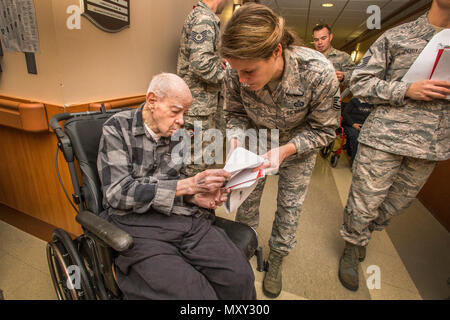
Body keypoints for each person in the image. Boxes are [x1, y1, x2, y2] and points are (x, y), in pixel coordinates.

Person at [97, 73, 256, 300]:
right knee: (195, 295)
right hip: (137, 225)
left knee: (240, 277)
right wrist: (188, 185)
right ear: (152, 101)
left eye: (184, 113)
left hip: (181, 218)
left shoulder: (178, 133)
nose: (182, 120)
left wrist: (195, 196)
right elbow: (118, 192)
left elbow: (176, 180)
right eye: (176, 111)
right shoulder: (117, 129)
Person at [219, 3, 341, 298]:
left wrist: (286, 150)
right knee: (244, 200)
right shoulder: (236, 73)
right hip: (256, 141)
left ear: (275, 51)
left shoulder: (317, 72)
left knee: (289, 206)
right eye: (238, 72)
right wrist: (235, 141)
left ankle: (277, 258)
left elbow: (325, 130)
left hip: (299, 145)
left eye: (249, 71)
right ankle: (245, 248)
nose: (243, 80)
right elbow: (235, 113)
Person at [338, 0, 450, 292]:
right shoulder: (398, 36)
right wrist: (405, 89)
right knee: (365, 200)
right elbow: (359, 81)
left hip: (431, 145)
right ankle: (352, 245)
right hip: (385, 138)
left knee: (394, 206)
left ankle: (365, 233)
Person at [177, 0, 230, 176]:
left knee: (203, 164)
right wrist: (231, 76)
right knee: (195, 167)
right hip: (198, 109)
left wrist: (217, 60)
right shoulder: (204, 19)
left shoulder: (205, 17)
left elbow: (204, 59)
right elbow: (201, 64)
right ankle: (189, 204)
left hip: (203, 107)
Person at [313, 24, 355, 89]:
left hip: (333, 98)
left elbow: (356, 80)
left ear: (330, 37)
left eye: (323, 38)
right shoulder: (309, 58)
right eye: (316, 40)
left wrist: (343, 77)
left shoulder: (343, 57)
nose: (319, 42)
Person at [341, 98, 373, 162]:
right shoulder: (354, 101)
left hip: (364, 125)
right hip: (350, 124)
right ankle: (354, 161)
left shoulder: (373, 103)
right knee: (356, 137)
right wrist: (353, 124)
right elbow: (345, 113)